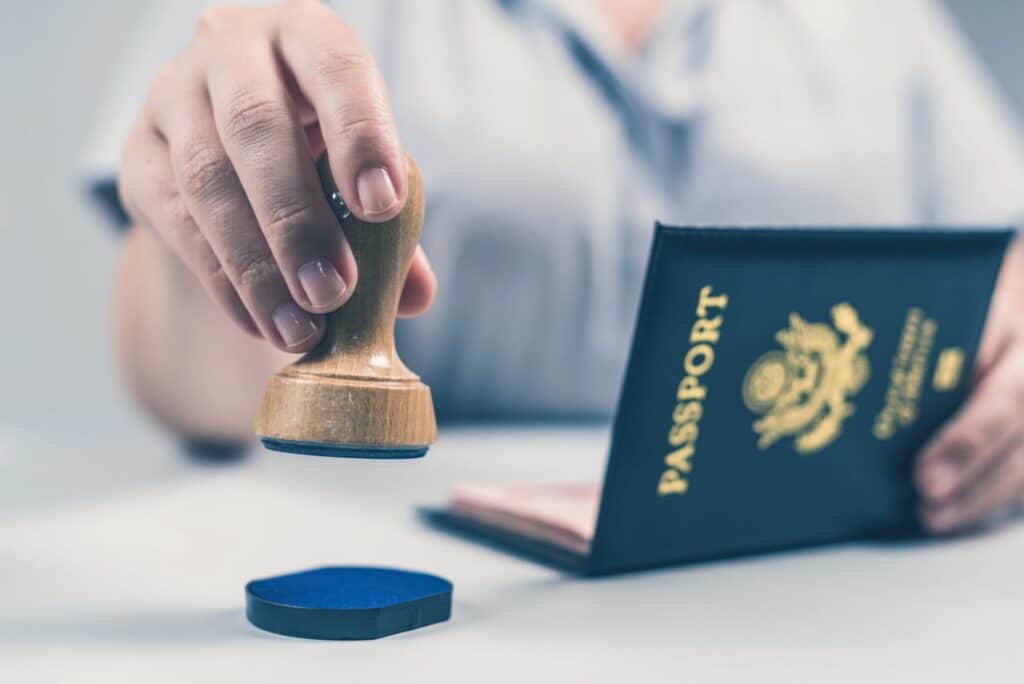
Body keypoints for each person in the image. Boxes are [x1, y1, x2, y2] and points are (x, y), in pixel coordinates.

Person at [88, 0, 1024, 535]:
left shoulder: (886, 22)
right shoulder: (289, 16)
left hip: (844, 571)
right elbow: (202, 388)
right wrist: (204, 240)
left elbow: (1011, 252)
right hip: (435, 570)